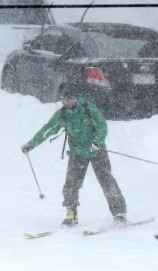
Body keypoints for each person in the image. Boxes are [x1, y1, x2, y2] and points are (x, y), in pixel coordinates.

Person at [21, 84, 127, 227]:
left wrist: (97, 142)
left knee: (107, 181)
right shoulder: (63, 114)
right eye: (65, 99)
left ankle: (119, 213)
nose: (68, 102)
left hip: (97, 152)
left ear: (77, 98)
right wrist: (30, 145)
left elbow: (102, 126)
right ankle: (71, 214)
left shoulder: (88, 109)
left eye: (71, 99)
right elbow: (47, 130)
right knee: (70, 185)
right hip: (77, 154)